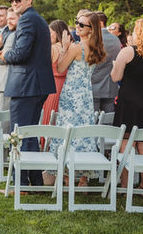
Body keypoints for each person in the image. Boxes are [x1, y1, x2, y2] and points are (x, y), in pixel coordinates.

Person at [0, 0, 55, 189]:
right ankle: (35, 181)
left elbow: (21, 53)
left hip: (26, 85)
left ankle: (20, 184)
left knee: (18, 134)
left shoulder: (28, 19)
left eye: (18, 0)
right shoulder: (36, 19)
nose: (14, 4)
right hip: (34, 84)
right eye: (12, 0)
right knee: (28, 134)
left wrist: (5, 55)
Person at [49, 11, 106, 188]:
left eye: (82, 25)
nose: (77, 27)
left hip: (72, 93)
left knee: (68, 131)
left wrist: (65, 48)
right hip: (86, 95)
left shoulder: (76, 48)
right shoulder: (97, 48)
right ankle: (83, 180)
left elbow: (59, 67)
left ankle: (67, 178)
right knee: (83, 133)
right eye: (77, 23)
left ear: (91, 29)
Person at [111, 18, 143, 191]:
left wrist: (115, 67)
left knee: (125, 145)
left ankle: (125, 186)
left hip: (128, 104)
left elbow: (116, 77)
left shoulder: (128, 52)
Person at [0, 8, 20, 112]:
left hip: (7, 82)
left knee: (4, 122)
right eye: (8, 18)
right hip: (2, 80)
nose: (8, 21)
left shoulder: (12, 35)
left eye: (11, 18)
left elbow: (3, 59)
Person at [41, 20, 70, 125]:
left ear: (57, 33)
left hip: (53, 86)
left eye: (50, 32)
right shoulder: (70, 48)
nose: (48, 35)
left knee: (49, 116)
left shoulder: (52, 48)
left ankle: (46, 140)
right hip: (67, 85)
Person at [91, 12, 121, 113]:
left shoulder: (92, 39)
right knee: (108, 122)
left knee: (92, 123)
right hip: (110, 86)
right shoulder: (116, 40)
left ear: (100, 23)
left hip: (93, 86)